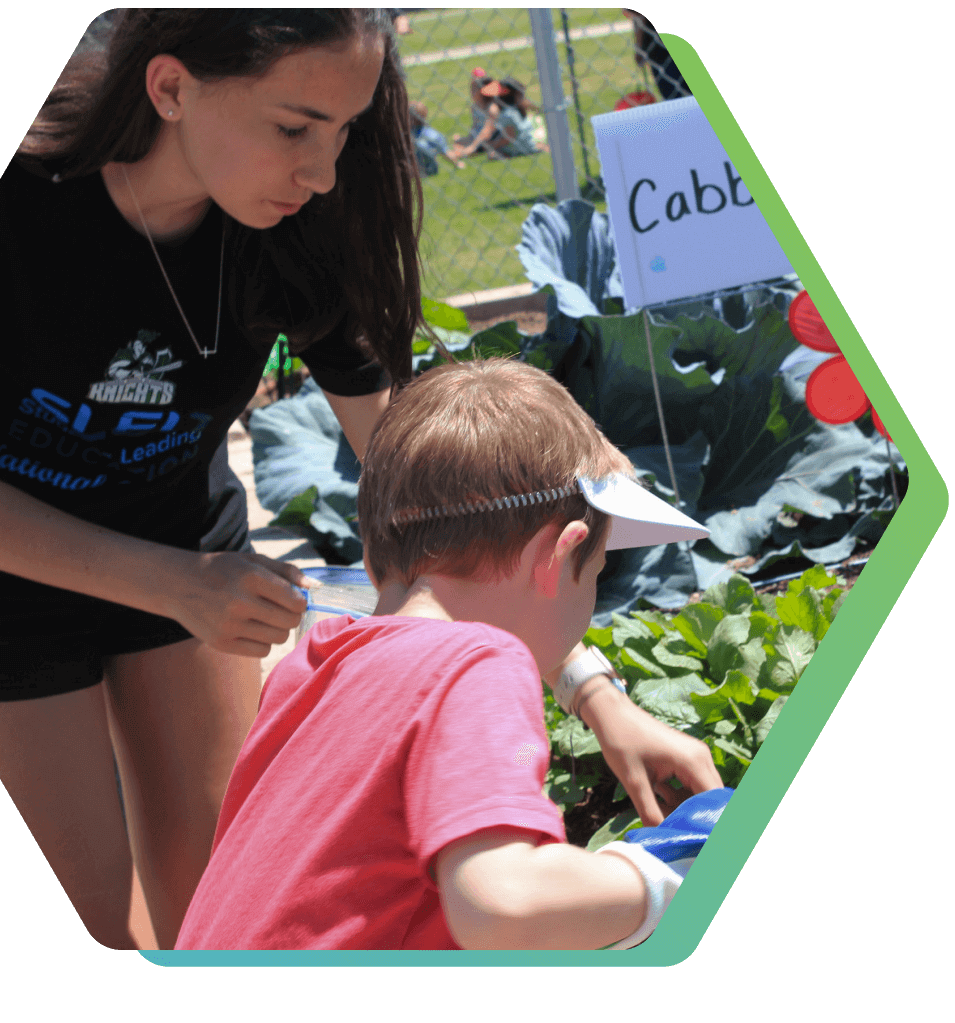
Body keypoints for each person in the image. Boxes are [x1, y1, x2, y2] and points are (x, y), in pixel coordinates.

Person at [0, 9, 430, 951]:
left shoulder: (307, 216)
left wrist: (575, 672)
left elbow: (409, 467)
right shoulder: (8, 203)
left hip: (178, 536)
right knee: (99, 924)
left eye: (346, 131)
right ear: (170, 88)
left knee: (229, 906)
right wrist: (176, 585)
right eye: (295, 128)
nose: (324, 172)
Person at [175, 358, 725, 950]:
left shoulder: (310, 667)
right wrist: (668, 875)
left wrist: (598, 698)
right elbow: (503, 905)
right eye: (596, 569)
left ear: (372, 556)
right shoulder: (478, 661)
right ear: (560, 554)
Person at [451, 76, 547, 160]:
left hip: (519, 147)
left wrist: (490, 146)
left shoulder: (507, 113)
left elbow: (508, 137)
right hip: (526, 144)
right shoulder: (515, 105)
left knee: (491, 153)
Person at [623, 10, 692, 100]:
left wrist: (639, 47)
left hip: (659, 51)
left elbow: (637, 16)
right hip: (660, 50)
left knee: (673, 96)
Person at [409, 101, 466, 175]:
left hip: (419, 171)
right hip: (428, 170)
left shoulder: (407, 135)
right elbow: (446, 152)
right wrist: (458, 163)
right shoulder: (433, 134)